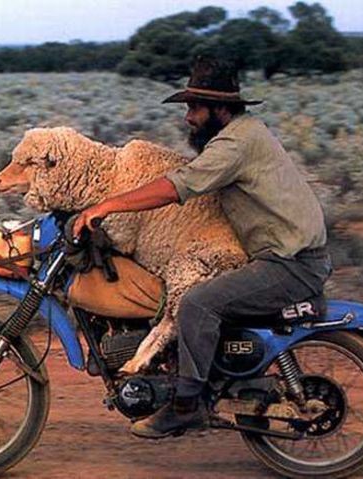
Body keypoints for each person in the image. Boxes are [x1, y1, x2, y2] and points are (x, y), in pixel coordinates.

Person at [72, 57, 332, 439]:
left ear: (221, 109)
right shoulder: (242, 135)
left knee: (197, 303)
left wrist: (107, 205)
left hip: (290, 265)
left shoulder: (237, 143)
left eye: (195, 108)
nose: (188, 118)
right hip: (284, 257)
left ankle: (186, 405)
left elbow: (180, 184)